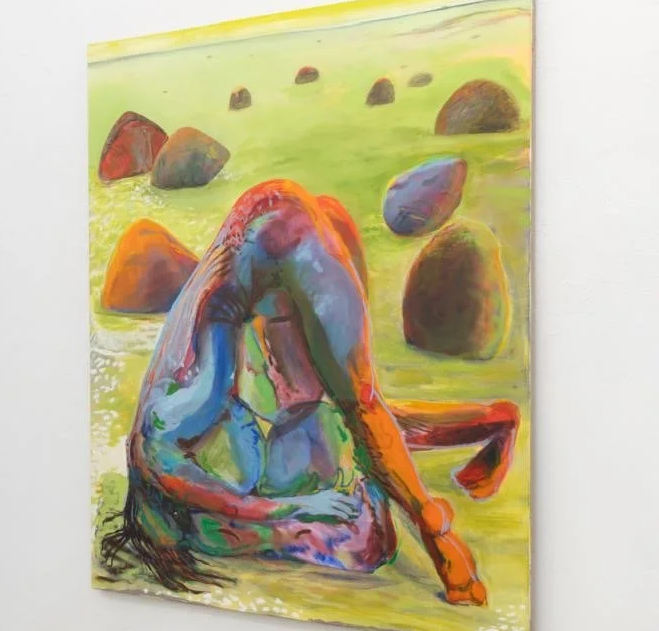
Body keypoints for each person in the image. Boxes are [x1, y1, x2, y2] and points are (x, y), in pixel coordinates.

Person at [100, 181, 516, 605]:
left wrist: (296, 509)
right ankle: (493, 421)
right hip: (262, 230)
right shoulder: (184, 400)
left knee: (360, 406)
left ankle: (438, 533)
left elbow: (219, 498)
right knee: (350, 409)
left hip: (289, 242)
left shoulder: (170, 439)